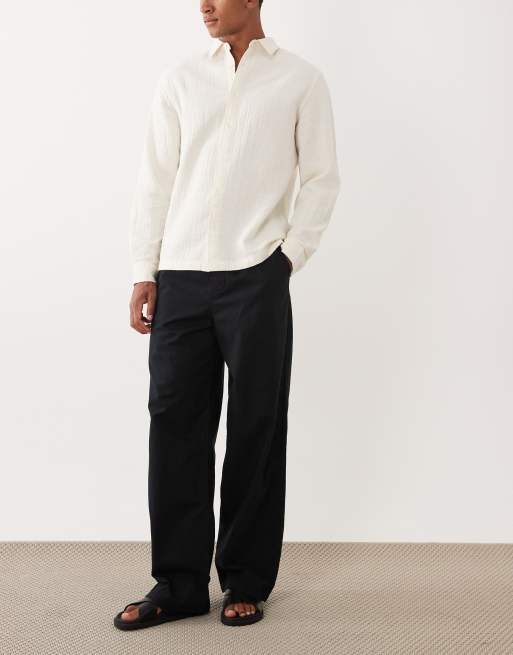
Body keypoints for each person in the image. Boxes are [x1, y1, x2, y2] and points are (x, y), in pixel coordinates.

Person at [114, 0, 341, 631]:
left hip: (256, 276)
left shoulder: (300, 80)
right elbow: (155, 180)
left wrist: (286, 258)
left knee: (255, 427)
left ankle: (245, 577)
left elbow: (321, 179)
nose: (205, 5)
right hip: (181, 276)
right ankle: (179, 582)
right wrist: (144, 269)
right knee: (175, 425)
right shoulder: (181, 79)